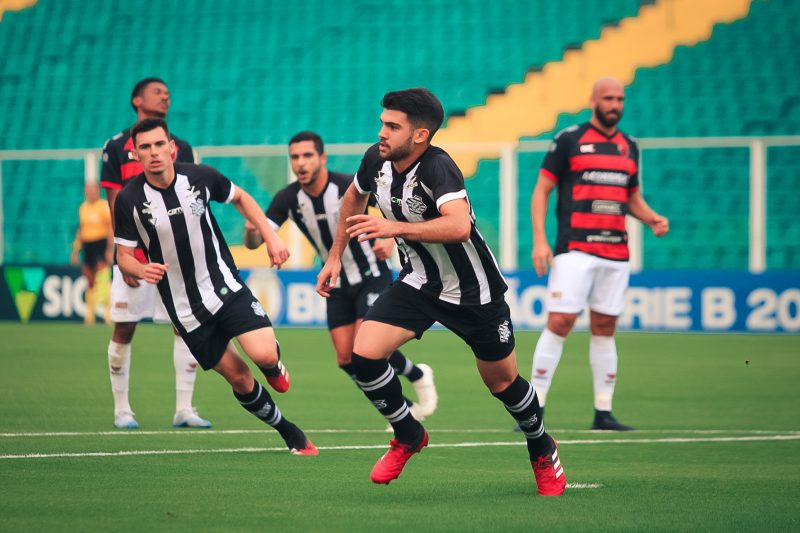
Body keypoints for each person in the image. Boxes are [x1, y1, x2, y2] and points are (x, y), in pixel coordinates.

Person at [316, 88, 565, 495]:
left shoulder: (438, 168)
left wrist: (393, 228)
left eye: (392, 126)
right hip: (419, 282)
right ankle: (408, 433)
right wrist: (334, 257)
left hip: (475, 292)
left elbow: (459, 226)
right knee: (363, 355)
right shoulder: (375, 160)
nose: (382, 132)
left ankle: (541, 444)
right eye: (382, 122)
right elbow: (353, 197)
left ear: (420, 135)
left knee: (502, 383)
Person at [113, 117, 318, 455]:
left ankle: (273, 363)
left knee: (263, 354)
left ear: (172, 147)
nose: (153, 153)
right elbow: (122, 256)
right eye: (145, 147)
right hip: (186, 309)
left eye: (159, 145)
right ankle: (288, 431)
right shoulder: (129, 199)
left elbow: (241, 198)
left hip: (224, 286)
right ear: (135, 154)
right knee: (239, 378)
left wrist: (270, 236)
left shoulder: (200, 176)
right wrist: (140, 267)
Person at [243, 131, 438, 425]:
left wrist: (389, 235)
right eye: (295, 157)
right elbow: (256, 241)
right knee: (346, 359)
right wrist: (251, 229)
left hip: (371, 274)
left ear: (322, 158)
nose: (301, 163)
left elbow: (392, 208)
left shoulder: (348, 185)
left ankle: (414, 380)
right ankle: (407, 400)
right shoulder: (288, 198)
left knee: (364, 346)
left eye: (307, 155)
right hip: (335, 280)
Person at [527, 77, 669, 431]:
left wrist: (650, 217)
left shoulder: (629, 146)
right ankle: (534, 406)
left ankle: (603, 412)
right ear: (593, 100)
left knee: (605, 328)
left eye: (620, 98)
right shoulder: (569, 139)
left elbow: (630, 196)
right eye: (608, 98)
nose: (615, 104)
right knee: (560, 322)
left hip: (616, 251)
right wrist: (540, 240)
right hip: (575, 248)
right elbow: (542, 190)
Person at [100, 77, 211, 429]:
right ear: (137, 99)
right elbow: (115, 203)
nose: (165, 96)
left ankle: (184, 409)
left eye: (167, 93)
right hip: (135, 255)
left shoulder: (182, 147)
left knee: (185, 327)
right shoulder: (116, 147)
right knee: (124, 327)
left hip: (175, 258)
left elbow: (193, 202)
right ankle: (122, 411)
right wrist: (126, 256)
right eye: (157, 92)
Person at [71, 182, 113, 325]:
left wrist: (109, 249)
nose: (90, 192)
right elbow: (80, 230)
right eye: (87, 190)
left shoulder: (103, 206)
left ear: (98, 191)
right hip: (87, 246)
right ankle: (90, 316)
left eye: (92, 189)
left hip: (100, 245)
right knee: (89, 280)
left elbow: (110, 229)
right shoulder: (83, 208)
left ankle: (108, 315)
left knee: (102, 280)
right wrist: (75, 250)